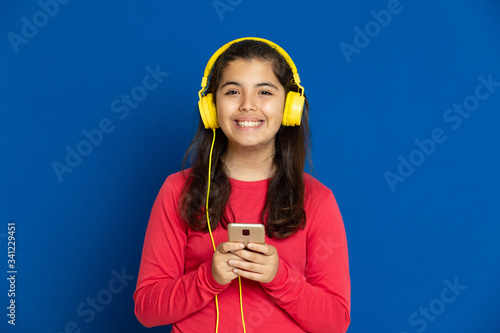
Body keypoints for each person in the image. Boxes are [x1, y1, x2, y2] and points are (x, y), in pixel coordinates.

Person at [134, 37, 351, 333]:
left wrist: (278, 277)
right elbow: (147, 310)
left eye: (264, 91)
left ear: (290, 106)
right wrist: (208, 277)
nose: (248, 105)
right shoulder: (177, 190)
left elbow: (335, 323)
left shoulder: (317, 200)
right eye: (233, 91)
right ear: (211, 106)